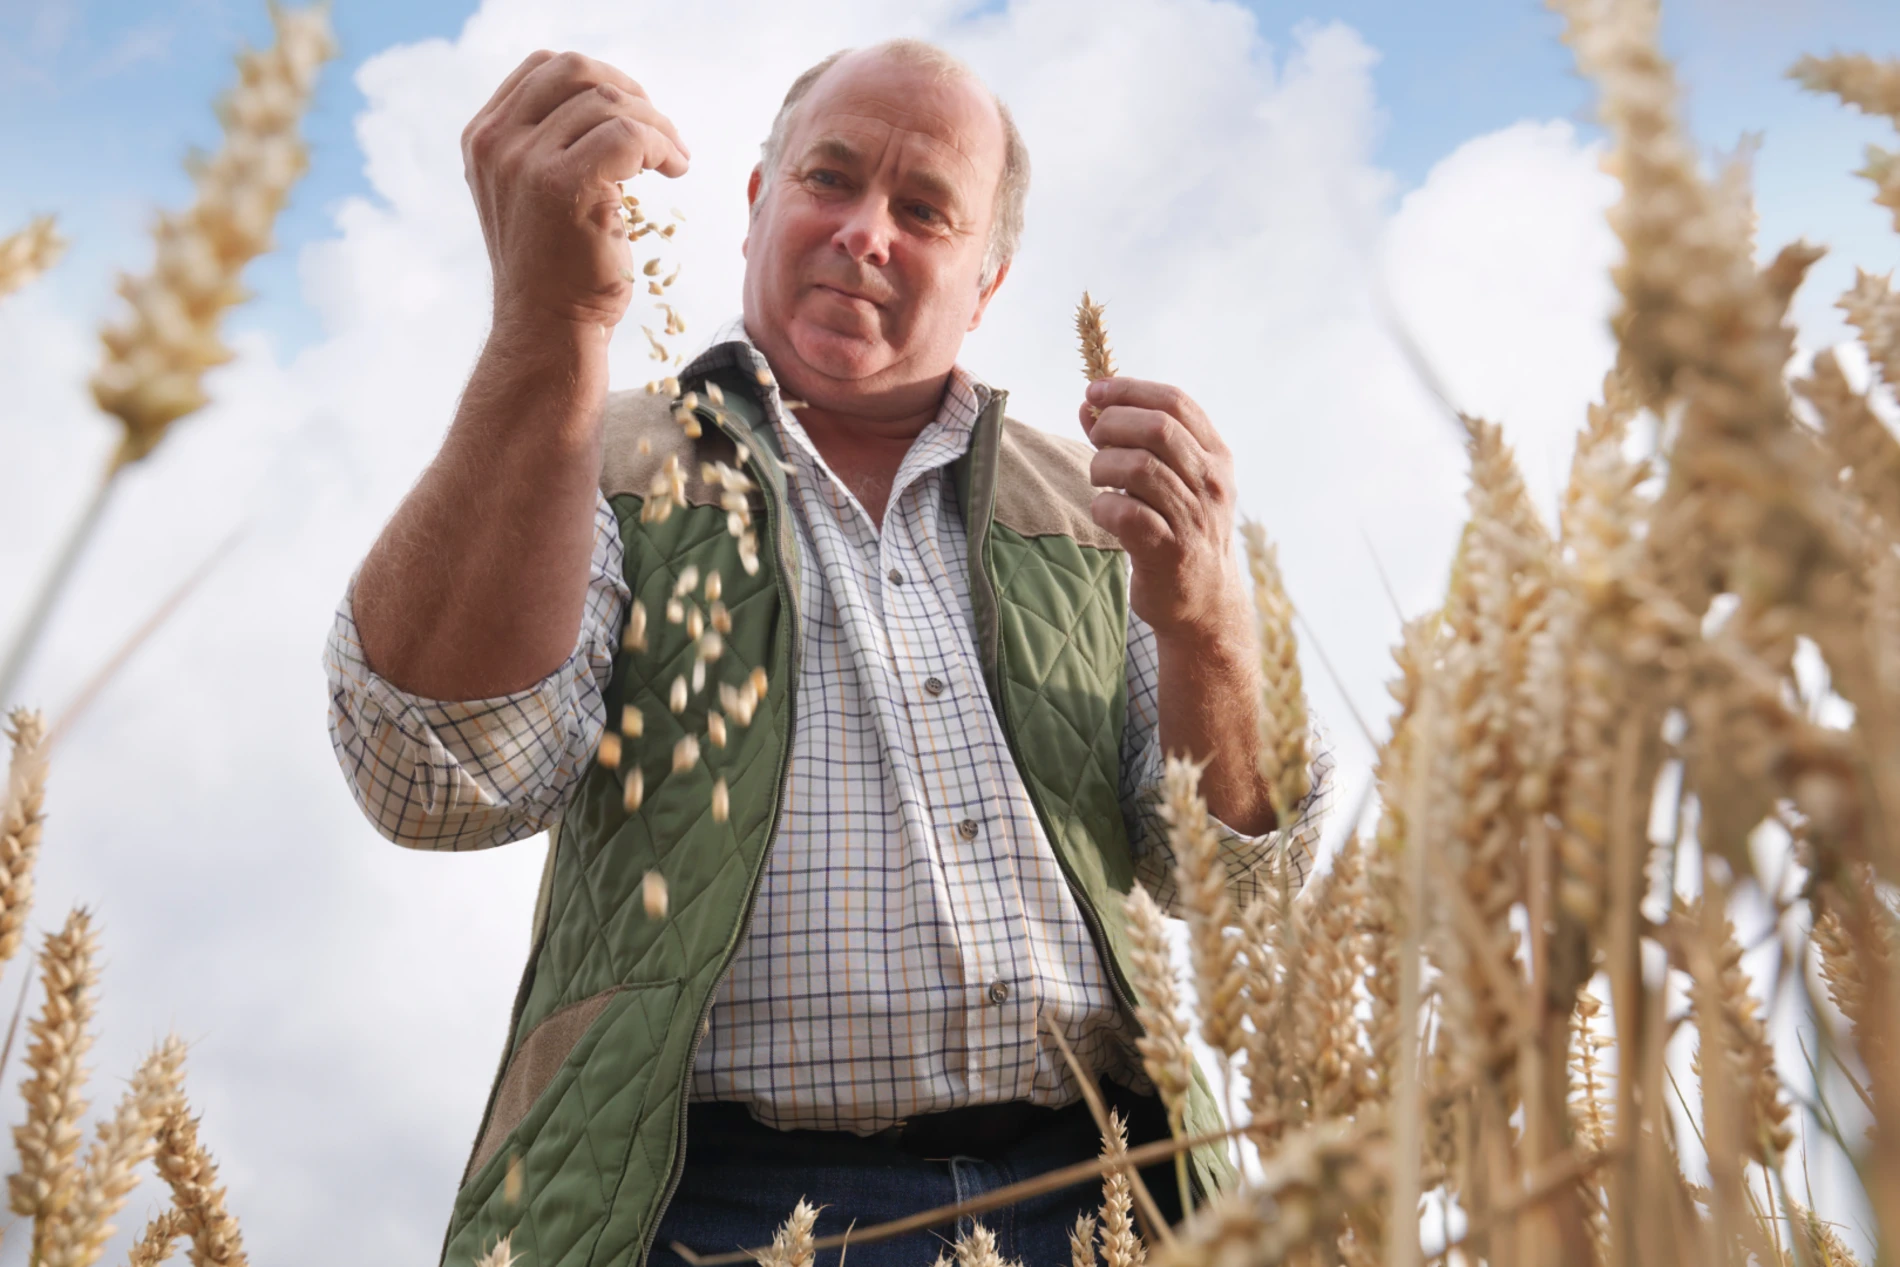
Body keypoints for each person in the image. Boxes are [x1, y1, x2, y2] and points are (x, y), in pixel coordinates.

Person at [324, 37, 1330, 1267]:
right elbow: (435, 778)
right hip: (713, 1209)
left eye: (923, 210)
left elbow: (1239, 886)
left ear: (988, 277)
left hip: (1106, 1193)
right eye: (830, 180)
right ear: (755, 206)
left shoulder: (1088, 507)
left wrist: (1208, 626)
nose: (865, 232)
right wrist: (551, 324)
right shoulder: (592, 456)